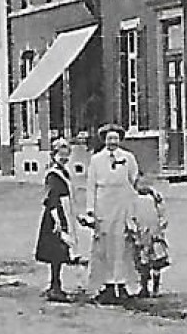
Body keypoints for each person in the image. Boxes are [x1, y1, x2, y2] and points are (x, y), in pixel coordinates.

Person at [83, 124, 141, 305]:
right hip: (104, 204)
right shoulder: (96, 160)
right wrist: (90, 210)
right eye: (109, 139)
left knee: (123, 244)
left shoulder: (128, 158)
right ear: (104, 140)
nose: (112, 143)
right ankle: (106, 285)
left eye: (116, 139)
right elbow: (91, 185)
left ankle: (123, 284)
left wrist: (133, 206)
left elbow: (134, 180)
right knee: (104, 246)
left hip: (122, 203)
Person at [34, 137, 76, 302]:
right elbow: (51, 197)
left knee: (60, 252)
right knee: (56, 253)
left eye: (67, 155)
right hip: (54, 216)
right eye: (61, 155)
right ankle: (55, 287)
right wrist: (57, 219)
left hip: (62, 212)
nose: (64, 158)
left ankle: (56, 284)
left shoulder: (63, 172)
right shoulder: (53, 174)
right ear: (54, 155)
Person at [130, 176, 170, 297]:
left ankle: (154, 288)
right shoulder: (134, 200)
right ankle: (145, 287)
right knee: (145, 262)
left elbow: (162, 215)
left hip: (151, 233)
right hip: (143, 234)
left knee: (153, 262)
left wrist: (160, 227)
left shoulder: (152, 199)